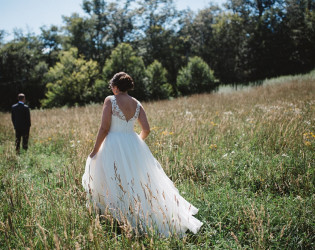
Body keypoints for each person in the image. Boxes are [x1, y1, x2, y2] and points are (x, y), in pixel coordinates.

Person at [82, 72, 202, 237]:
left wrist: (94, 150)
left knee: (113, 178)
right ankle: (138, 214)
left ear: (115, 87)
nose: (111, 89)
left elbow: (104, 128)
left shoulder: (110, 100)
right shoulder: (137, 103)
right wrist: (135, 142)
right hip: (133, 143)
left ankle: (118, 217)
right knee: (136, 181)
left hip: (113, 144)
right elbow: (146, 129)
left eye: (111, 86)